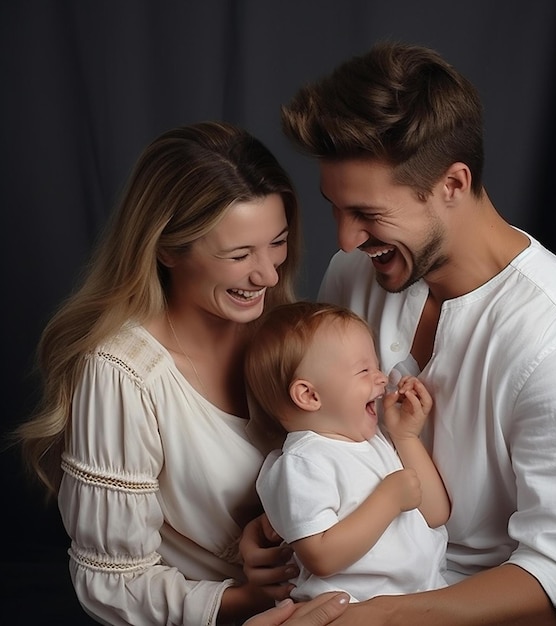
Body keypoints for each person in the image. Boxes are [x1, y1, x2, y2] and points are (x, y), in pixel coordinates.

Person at [239, 42, 556, 625]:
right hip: (348, 588)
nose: (345, 240)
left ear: (453, 183)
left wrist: (392, 616)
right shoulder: (355, 273)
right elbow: (327, 445)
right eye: (336, 209)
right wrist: (276, 529)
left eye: (368, 213)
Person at [13, 119, 337, 626]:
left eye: (277, 242)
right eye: (239, 255)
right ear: (166, 248)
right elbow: (113, 582)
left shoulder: (286, 331)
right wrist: (252, 600)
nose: (269, 274)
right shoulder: (121, 374)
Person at [245, 301, 449, 603]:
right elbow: (321, 556)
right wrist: (388, 499)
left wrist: (405, 436)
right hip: (350, 611)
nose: (382, 377)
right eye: (364, 370)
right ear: (309, 395)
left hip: (422, 598)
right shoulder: (302, 463)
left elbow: (435, 513)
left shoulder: (374, 440)